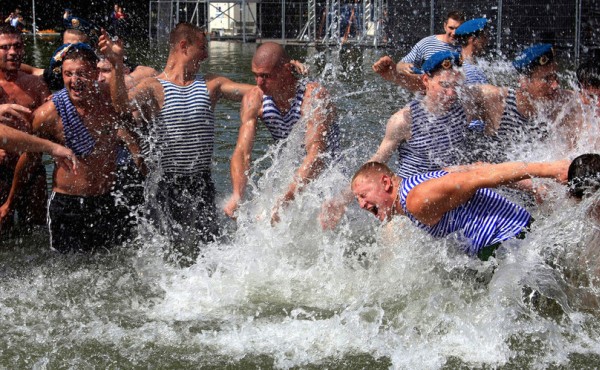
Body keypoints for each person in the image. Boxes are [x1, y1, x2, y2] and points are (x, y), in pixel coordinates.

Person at [99, 23, 254, 256]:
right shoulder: (153, 87)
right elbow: (121, 106)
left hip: (202, 185)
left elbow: (256, 92)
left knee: (210, 252)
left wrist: (284, 75)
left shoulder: (212, 84)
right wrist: (116, 64)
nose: (206, 55)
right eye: (202, 47)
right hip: (166, 188)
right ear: (184, 46)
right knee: (168, 256)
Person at [321, 51, 470, 228]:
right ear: (425, 81)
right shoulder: (404, 120)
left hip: (449, 195)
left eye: (456, 86)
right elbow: (376, 162)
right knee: (395, 229)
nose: (451, 93)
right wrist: (341, 200)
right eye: (444, 85)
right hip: (412, 199)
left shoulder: (464, 107)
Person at [0, 43, 124, 253]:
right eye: (68, 74)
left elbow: (140, 84)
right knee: (66, 269)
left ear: (95, 73)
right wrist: (9, 203)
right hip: (68, 205)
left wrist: (118, 63)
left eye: (82, 74)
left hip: (107, 199)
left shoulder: (111, 100)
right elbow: (30, 158)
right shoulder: (47, 115)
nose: (75, 81)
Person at [350, 159, 579, 259]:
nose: (361, 204)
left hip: (511, 243)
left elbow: (478, 177)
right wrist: (533, 187)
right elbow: (476, 168)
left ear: (386, 183)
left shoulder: (416, 199)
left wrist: (551, 169)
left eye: (363, 195)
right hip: (514, 242)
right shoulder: (414, 191)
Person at [224, 42, 339, 223]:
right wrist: (237, 194)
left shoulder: (313, 96)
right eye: (255, 76)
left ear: (286, 70)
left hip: (328, 173)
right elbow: (242, 152)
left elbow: (316, 154)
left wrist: (288, 196)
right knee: (263, 219)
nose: (259, 82)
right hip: (292, 170)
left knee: (320, 220)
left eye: (266, 76)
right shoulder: (255, 99)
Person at [0, 24, 51, 234]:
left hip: (32, 171)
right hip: (1, 171)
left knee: (38, 234)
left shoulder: (36, 84)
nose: (13, 52)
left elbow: (50, 126)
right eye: (5, 47)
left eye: (17, 46)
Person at [371, 10, 464, 89]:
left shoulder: (466, 46)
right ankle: (391, 74)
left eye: (458, 28)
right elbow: (400, 65)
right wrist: (403, 67)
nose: (454, 33)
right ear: (445, 26)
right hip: (428, 93)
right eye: (451, 28)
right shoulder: (427, 43)